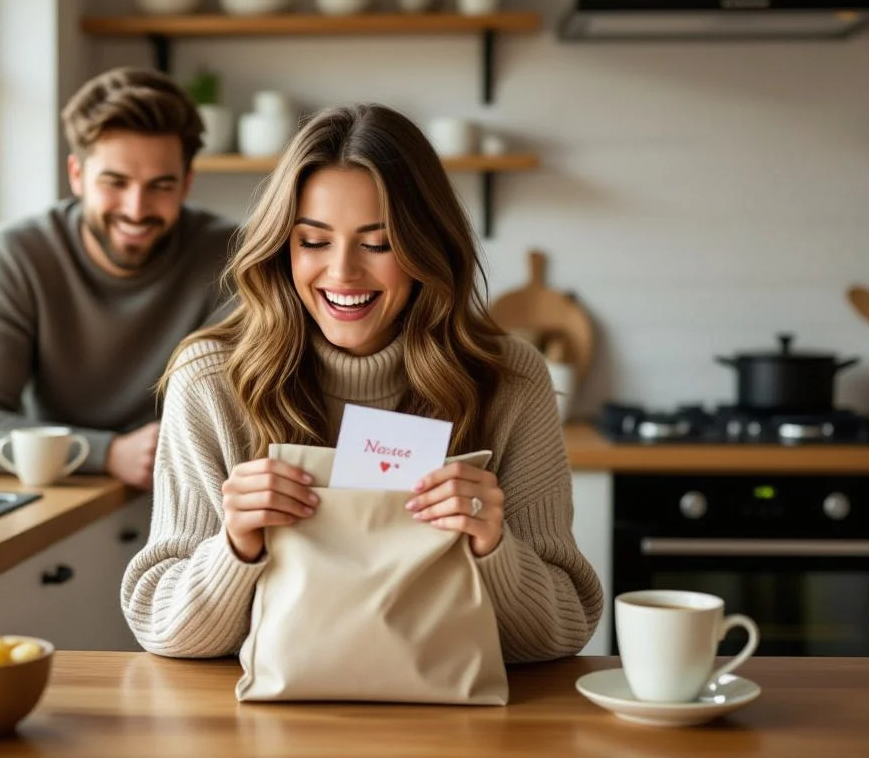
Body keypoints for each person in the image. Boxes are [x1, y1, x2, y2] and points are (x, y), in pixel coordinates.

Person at [121, 103, 603, 661]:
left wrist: (495, 548)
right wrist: (235, 548)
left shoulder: (511, 381)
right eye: (314, 241)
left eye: (378, 243)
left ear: (428, 247)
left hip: (450, 728)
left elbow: (563, 632)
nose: (343, 272)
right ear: (282, 247)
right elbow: (162, 629)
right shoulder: (210, 382)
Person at [0, 67, 235, 488]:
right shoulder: (16, 254)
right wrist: (108, 452)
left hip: (192, 490)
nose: (136, 208)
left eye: (161, 185)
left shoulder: (229, 255)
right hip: (60, 493)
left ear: (187, 184)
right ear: (77, 175)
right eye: (115, 182)